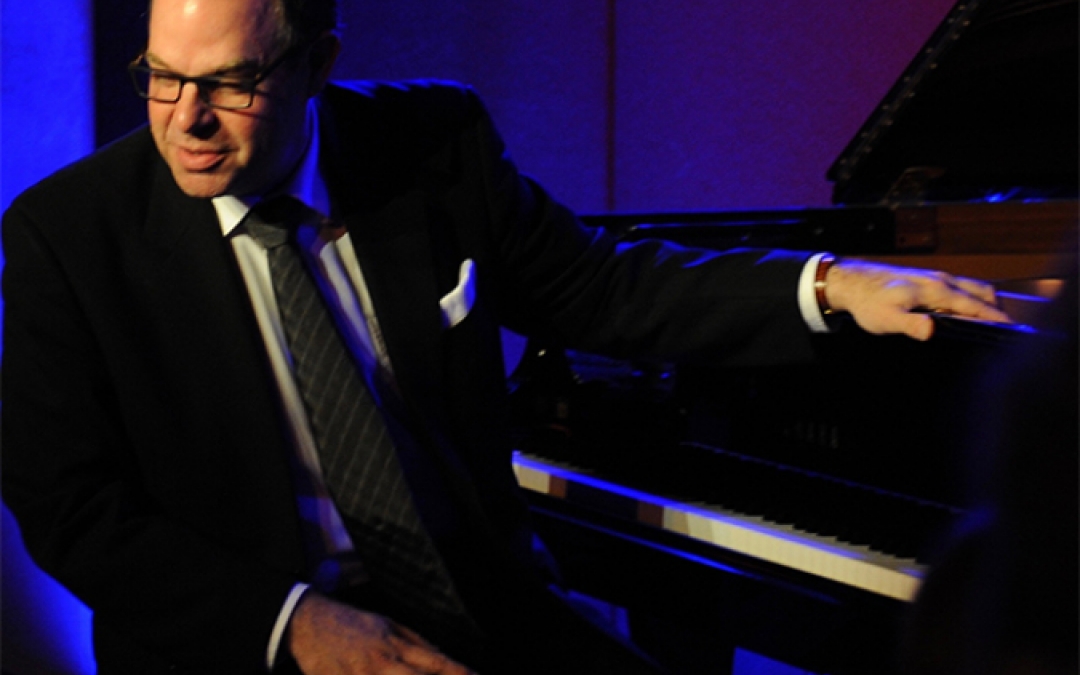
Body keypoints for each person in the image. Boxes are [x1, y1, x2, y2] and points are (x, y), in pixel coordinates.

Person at [0, 0, 1010, 673]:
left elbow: (603, 287)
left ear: (319, 66)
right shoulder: (67, 235)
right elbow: (68, 506)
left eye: (230, 82)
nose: (186, 120)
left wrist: (832, 285)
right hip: (251, 635)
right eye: (162, 77)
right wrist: (296, 624)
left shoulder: (433, 145)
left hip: (477, 605)